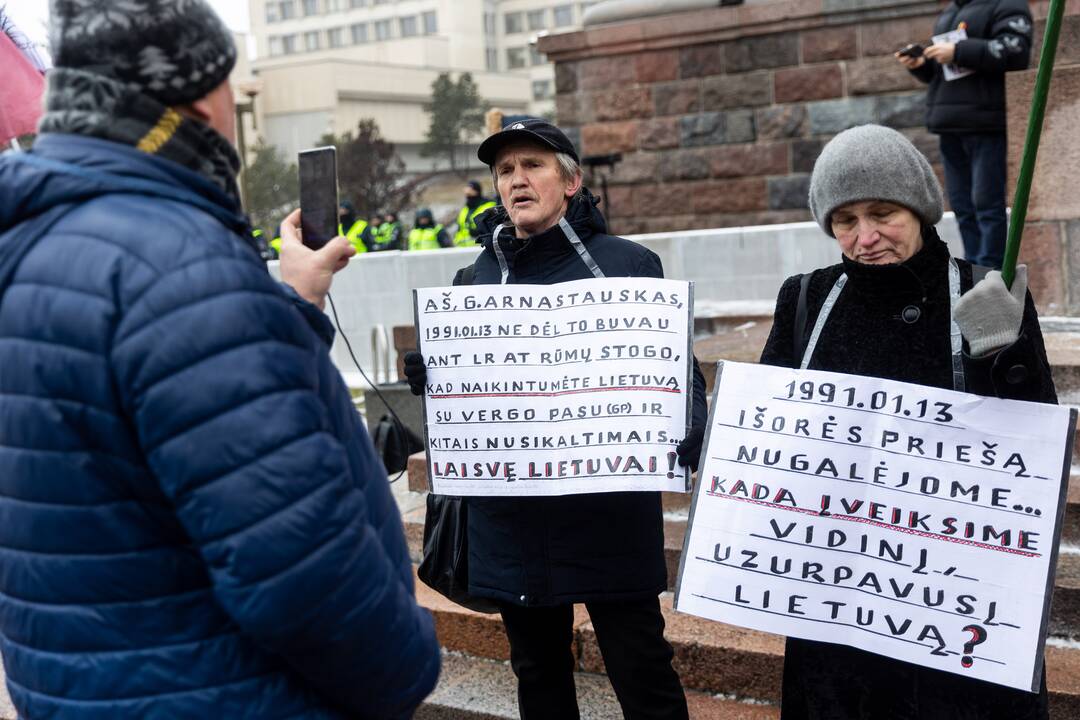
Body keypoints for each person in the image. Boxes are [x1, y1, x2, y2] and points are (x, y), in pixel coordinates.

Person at [0, 2, 440, 717]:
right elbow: (300, 573)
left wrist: (288, 305)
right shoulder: (181, 270)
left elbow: (140, 425)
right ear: (203, 94)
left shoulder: (31, 249)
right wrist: (409, 669)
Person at [403, 118, 708, 719]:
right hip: (513, 518)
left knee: (639, 662)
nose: (517, 180)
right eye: (505, 171)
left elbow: (677, 371)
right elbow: (466, 409)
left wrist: (686, 420)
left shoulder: (628, 264)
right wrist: (435, 380)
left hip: (607, 512)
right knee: (537, 669)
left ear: (570, 182)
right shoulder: (472, 279)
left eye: (532, 166)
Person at [760, 124, 1054, 720]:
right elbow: (768, 425)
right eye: (845, 221)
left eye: (883, 213)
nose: (866, 237)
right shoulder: (807, 299)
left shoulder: (983, 292)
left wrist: (1010, 358)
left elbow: (1034, 447)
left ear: (920, 210)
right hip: (837, 583)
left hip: (954, 589)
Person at [896, 0, 1033, 269]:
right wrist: (921, 63)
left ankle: (990, 272)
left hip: (986, 122)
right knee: (962, 206)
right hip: (951, 123)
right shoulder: (951, 11)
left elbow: (1016, 51)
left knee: (987, 204)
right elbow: (942, 72)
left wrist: (959, 51)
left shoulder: (1008, 4)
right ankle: (973, 268)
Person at [454, 179, 497, 246]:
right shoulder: (464, 210)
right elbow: (459, 229)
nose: (467, 193)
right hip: (462, 250)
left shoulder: (489, 206)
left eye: (470, 190)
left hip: (480, 248)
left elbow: (492, 229)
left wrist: (477, 232)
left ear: (477, 191)